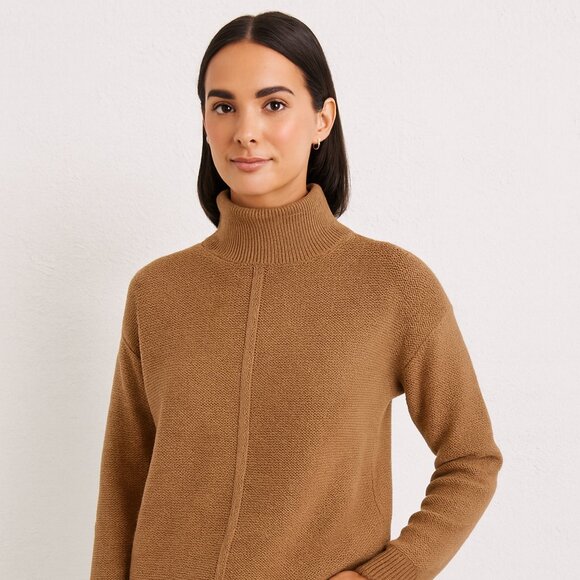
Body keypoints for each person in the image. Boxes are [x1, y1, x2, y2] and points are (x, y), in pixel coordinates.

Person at [90, 10, 503, 580]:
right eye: (224, 106)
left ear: (322, 119)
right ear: (204, 121)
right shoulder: (157, 291)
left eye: (274, 104)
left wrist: (387, 575)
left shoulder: (392, 285)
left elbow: (471, 458)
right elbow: (124, 479)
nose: (246, 130)